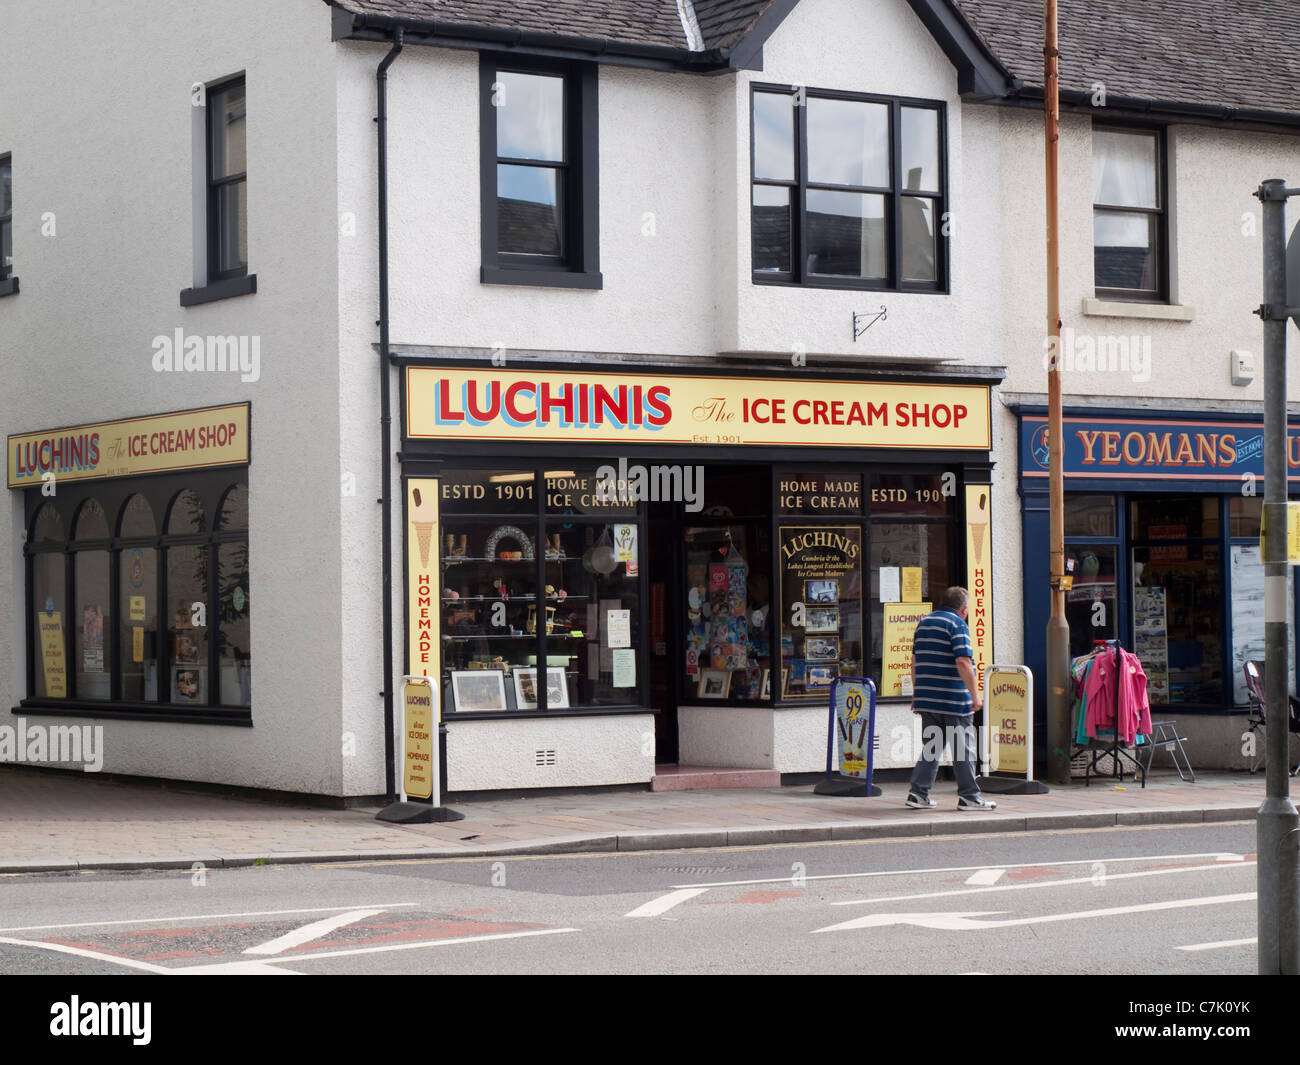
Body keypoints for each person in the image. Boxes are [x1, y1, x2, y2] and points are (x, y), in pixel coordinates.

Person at [905, 586, 997, 811]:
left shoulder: (924, 623)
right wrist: (975, 695)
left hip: (928, 698)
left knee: (932, 747)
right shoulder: (957, 625)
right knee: (963, 748)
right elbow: (963, 662)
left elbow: (915, 662)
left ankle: (918, 793)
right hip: (953, 699)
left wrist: (918, 694)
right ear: (964, 608)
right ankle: (970, 797)